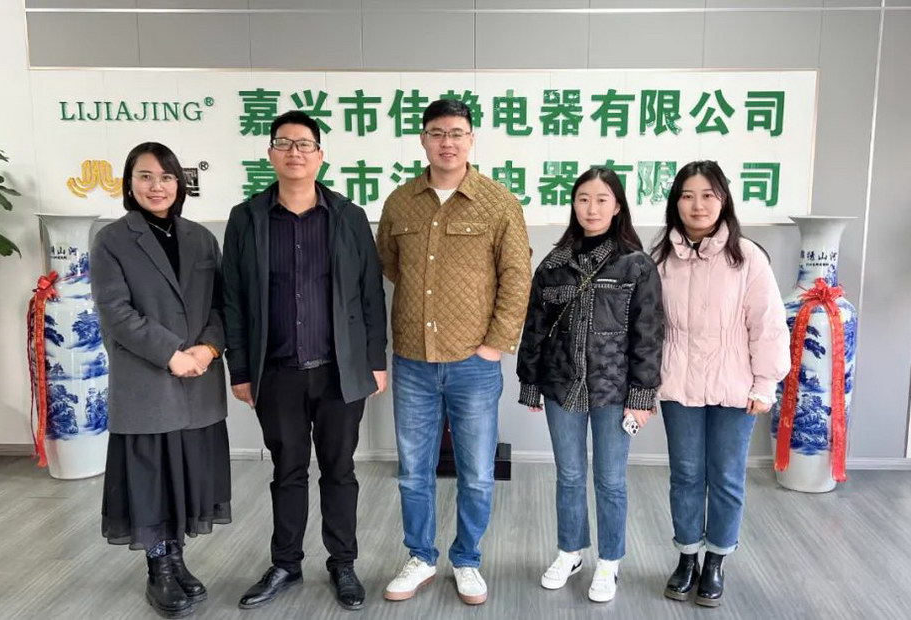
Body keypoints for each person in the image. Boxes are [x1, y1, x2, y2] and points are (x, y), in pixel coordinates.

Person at [222, 111, 387, 612]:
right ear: (270, 154)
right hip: (276, 372)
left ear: (320, 155)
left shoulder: (349, 217)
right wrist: (240, 369)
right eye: (284, 143)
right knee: (287, 470)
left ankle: (343, 564)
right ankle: (286, 564)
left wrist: (375, 359)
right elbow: (232, 299)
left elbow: (370, 293)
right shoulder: (247, 218)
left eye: (305, 144)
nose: (295, 152)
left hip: (340, 372)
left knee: (340, 470)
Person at [376, 98, 532, 606]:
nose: (448, 142)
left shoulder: (498, 202)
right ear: (423, 139)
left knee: (478, 474)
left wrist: (494, 345)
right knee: (413, 471)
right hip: (412, 361)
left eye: (457, 133)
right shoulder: (400, 201)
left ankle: (467, 560)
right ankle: (421, 556)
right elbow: (391, 265)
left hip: (474, 363)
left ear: (471, 139)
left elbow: (517, 277)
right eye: (438, 133)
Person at [92, 141, 230, 619]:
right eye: (145, 176)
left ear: (180, 184)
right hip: (147, 378)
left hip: (198, 378)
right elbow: (116, 312)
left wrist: (207, 348)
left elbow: (223, 305)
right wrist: (171, 355)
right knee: (150, 477)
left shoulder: (201, 238)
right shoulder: (112, 239)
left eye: (167, 177)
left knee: (185, 473)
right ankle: (159, 569)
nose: (157, 186)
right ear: (129, 183)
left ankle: (177, 559)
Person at [517, 167, 664, 603]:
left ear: (617, 207)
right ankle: (570, 552)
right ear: (573, 205)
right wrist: (530, 380)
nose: (592, 208)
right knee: (569, 475)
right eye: (583, 199)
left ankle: (609, 561)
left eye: (602, 200)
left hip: (614, 391)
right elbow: (535, 327)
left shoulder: (636, 265)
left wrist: (641, 397)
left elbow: (649, 335)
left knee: (611, 480)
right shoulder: (554, 265)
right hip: (561, 385)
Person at [651, 160, 789, 607]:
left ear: (723, 200)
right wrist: (644, 383)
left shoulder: (747, 257)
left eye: (708, 195)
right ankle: (687, 556)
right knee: (686, 475)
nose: (698, 205)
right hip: (678, 385)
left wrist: (765, 383)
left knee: (727, 476)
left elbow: (767, 324)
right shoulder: (660, 259)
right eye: (688, 196)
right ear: (676, 202)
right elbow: (647, 327)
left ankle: (716, 560)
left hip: (735, 388)